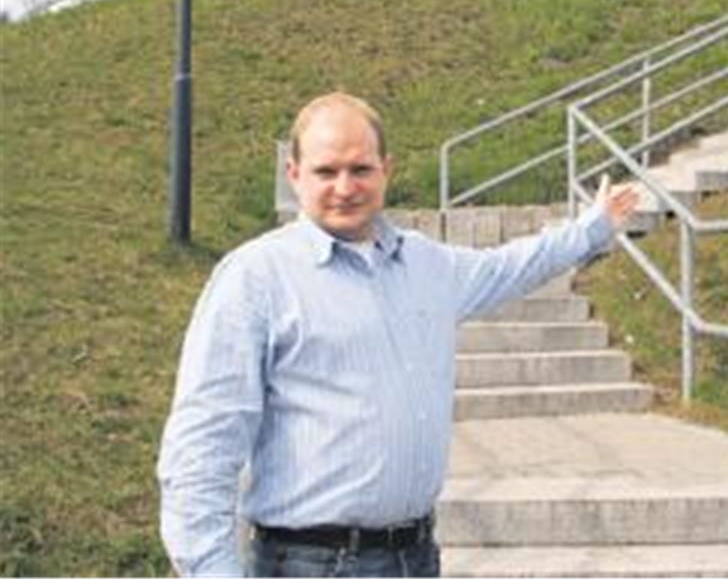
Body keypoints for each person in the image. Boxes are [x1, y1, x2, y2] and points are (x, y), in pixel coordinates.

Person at [157, 91, 638, 577]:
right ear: (294, 174)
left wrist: (592, 230)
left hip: (416, 558)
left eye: (360, 169)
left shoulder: (427, 265)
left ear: (387, 169)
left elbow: (510, 267)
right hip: (309, 565)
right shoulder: (255, 278)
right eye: (326, 171)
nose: (345, 187)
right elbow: (202, 447)